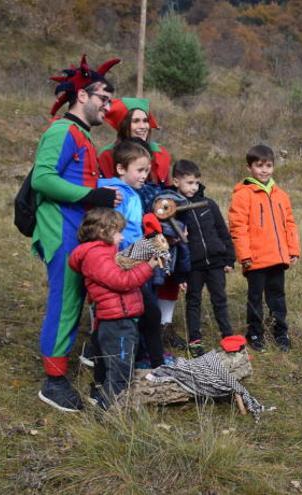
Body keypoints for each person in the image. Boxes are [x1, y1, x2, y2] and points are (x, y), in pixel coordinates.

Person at [32, 55, 121, 412]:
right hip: (60, 229)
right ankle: (53, 381)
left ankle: (74, 363)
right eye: (103, 97)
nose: (108, 105)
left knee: (76, 298)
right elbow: (42, 179)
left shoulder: (81, 135)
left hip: (76, 230)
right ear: (82, 96)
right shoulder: (61, 131)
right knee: (65, 299)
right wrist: (91, 195)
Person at [96, 97, 181, 344]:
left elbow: (166, 187)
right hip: (125, 227)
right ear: (125, 124)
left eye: (145, 120)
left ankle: (163, 325)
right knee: (126, 283)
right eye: (136, 121)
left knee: (169, 260)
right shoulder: (109, 154)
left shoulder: (161, 153)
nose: (143, 125)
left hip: (155, 217)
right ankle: (111, 336)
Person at [69, 208, 158, 408]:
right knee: (120, 372)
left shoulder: (104, 252)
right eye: (118, 231)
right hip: (117, 322)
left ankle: (102, 400)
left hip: (117, 318)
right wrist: (148, 266)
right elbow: (121, 281)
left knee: (113, 367)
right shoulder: (96, 255)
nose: (122, 236)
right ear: (103, 231)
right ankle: (107, 412)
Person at [228, 144, 300, 352]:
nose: (264, 170)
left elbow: (290, 223)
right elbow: (237, 227)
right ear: (249, 167)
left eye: (268, 165)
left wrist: (293, 250)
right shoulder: (243, 195)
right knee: (255, 298)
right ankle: (255, 333)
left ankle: (280, 332)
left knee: (277, 297)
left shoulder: (281, 195)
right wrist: (244, 255)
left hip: (278, 258)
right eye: (259, 166)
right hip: (256, 259)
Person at [171, 159, 236, 357]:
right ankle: (195, 340)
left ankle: (228, 335)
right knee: (193, 301)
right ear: (176, 182)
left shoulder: (209, 204)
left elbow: (223, 232)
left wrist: (229, 259)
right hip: (193, 266)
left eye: (196, 183)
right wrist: (180, 276)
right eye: (189, 183)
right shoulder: (174, 210)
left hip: (216, 262)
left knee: (220, 299)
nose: (194, 187)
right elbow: (175, 247)